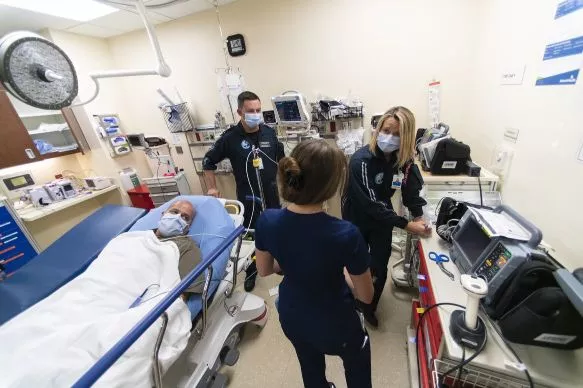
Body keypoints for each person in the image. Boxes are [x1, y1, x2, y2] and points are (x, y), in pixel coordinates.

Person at [255, 139, 374, 388]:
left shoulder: (268, 220)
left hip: (292, 317)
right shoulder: (345, 234)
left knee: (309, 365)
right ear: (331, 187)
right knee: (358, 359)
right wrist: (341, 271)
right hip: (335, 326)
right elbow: (365, 296)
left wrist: (296, 264)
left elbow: (265, 269)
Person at [342, 106, 431, 327]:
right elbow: (371, 202)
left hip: (383, 219)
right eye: (386, 130)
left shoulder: (404, 161)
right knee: (354, 262)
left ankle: (369, 306)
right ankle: (348, 303)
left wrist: (419, 215)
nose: (389, 137)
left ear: (407, 137)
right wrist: (406, 225)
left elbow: (411, 191)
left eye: (397, 134)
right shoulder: (361, 160)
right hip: (357, 217)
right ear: (378, 128)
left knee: (379, 264)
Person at [203, 91, 284, 292]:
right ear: (240, 112)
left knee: (278, 231)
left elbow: (281, 160)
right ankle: (253, 270)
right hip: (249, 197)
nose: (255, 114)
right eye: (250, 111)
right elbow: (208, 161)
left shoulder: (269, 133)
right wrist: (212, 187)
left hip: (272, 195)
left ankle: (282, 264)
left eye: (258, 110)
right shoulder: (230, 138)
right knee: (253, 237)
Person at [154, 200, 204, 295]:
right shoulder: (138, 236)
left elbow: (181, 300)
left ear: (188, 227)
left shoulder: (187, 248)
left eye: (185, 217)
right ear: (163, 214)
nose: (177, 218)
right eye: (174, 212)